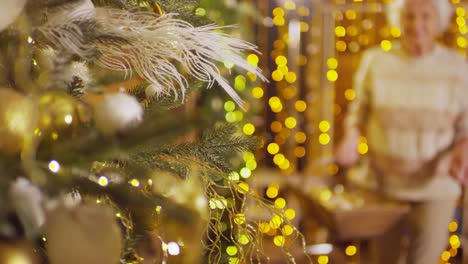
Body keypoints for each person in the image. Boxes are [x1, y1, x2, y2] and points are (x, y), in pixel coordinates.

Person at [335, 0, 468, 263]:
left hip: (435, 185)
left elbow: (465, 126)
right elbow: (358, 113)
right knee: (383, 259)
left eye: (425, 16)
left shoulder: (457, 66)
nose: (416, 25)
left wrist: (462, 151)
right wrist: (352, 137)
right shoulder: (376, 61)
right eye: (409, 16)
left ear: (439, 20)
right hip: (382, 186)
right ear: (398, 19)